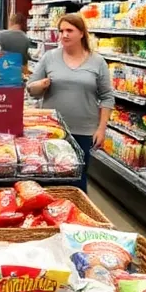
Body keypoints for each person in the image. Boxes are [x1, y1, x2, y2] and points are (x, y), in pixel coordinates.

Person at [25, 14, 113, 191]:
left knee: (77, 180)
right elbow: (31, 89)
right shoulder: (50, 57)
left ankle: (78, 213)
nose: (64, 34)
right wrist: (39, 85)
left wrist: (101, 129)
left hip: (84, 131)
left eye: (69, 30)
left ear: (81, 33)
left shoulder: (97, 61)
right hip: (52, 130)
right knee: (50, 178)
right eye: (61, 31)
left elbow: (107, 96)